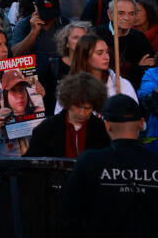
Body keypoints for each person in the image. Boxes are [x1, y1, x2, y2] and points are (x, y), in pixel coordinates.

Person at [59, 95, 158, 237]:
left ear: (107, 124)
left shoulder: (89, 161)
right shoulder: (154, 162)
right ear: (142, 123)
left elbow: (68, 217)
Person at [24, 72, 109, 158]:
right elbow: (31, 164)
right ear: (67, 102)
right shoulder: (45, 129)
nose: (82, 113)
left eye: (87, 108)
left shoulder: (102, 130)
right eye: (77, 107)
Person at [67, 33, 137, 103]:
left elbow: (134, 112)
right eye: (99, 53)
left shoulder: (122, 84)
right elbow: (62, 113)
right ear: (85, 56)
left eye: (107, 52)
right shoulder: (70, 87)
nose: (106, 57)